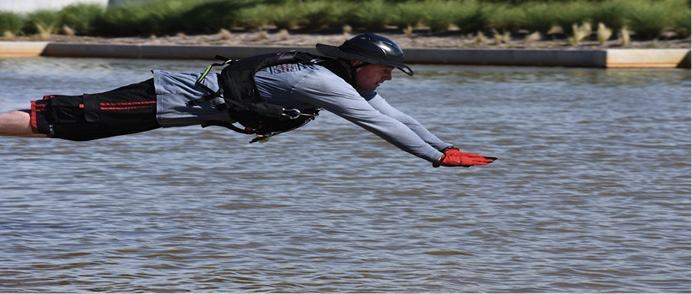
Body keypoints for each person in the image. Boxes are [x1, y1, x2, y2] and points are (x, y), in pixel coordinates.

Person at [0, 33, 495, 168]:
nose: (387, 78)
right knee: (59, 119)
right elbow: (375, 122)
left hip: (171, 110)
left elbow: (393, 113)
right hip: (165, 100)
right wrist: (434, 158)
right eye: (384, 69)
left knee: (65, 127)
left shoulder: (335, 76)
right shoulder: (322, 83)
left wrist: (443, 145)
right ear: (357, 63)